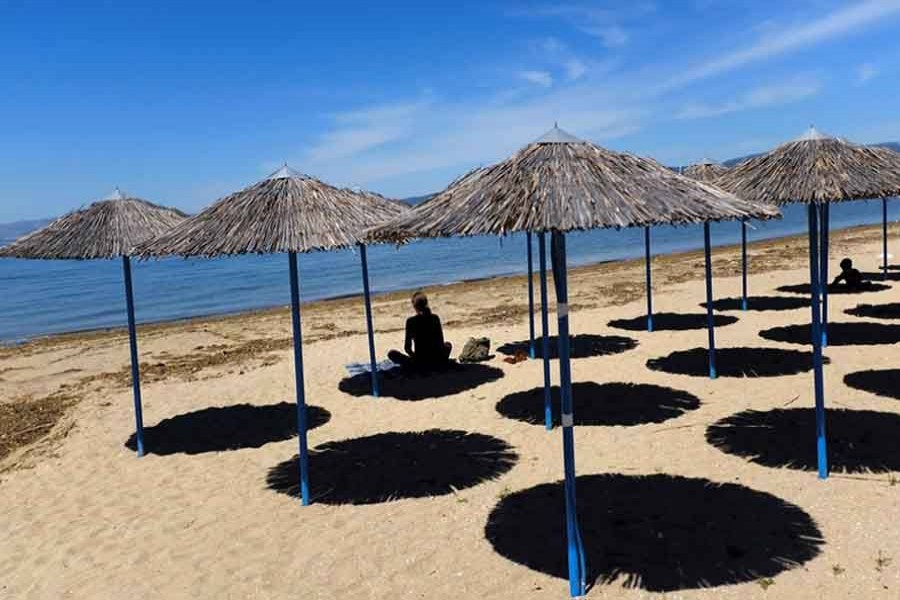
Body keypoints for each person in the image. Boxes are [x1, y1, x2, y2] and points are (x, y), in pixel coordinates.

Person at [388, 291, 452, 371]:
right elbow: (440, 342)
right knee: (448, 344)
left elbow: (407, 348)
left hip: (420, 361)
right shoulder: (435, 318)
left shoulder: (411, 321)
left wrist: (415, 357)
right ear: (426, 303)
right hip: (437, 359)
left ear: (414, 306)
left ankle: (417, 365)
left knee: (391, 353)